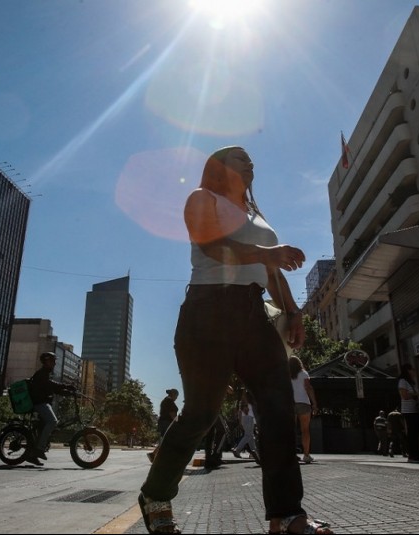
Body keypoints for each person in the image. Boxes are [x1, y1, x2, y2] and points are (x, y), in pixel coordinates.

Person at [138, 147, 332, 534]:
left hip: (253, 312)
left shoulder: (256, 215)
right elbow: (211, 245)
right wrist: (268, 252)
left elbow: (270, 272)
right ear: (219, 167)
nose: (250, 160)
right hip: (207, 310)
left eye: (251, 157)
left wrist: (293, 312)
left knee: (278, 410)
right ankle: (156, 495)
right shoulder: (201, 198)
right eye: (239, 156)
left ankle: (288, 514)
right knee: (200, 413)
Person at [28, 352, 76, 465]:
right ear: (46, 361)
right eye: (52, 361)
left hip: (43, 403)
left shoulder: (46, 373)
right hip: (39, 403)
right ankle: (39, 449)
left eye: (55, 361)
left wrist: (68, 392)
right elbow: (51, 385)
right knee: (52, 421)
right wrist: (66, 386)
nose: (54, 363)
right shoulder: (42, 374)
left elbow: (53, 389)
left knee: (44, 427)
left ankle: (32, 455)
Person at [289, 355, 318, 464]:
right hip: (303, 403)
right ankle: (306, 455)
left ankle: (291, 454)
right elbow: (308, 388)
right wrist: (314, 403)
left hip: (290, 404)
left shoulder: (286, 374)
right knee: (305, 430)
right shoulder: (303, 373)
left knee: (290, 430)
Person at [398, 363, 419, 463]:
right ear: (408, 371)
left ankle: (417, 454)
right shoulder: (403, 381)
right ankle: (412, 455)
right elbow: (404, 395)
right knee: (412, 433)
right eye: (412, 370)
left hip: (415, 409)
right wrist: (416, 394)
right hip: (408, 411)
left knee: (416, 433)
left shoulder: (411, 383)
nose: (414, 372)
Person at [148, 388, 180, 463]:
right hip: (166, 423)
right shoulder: (169, 401)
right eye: (177, 396)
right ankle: (163, 457)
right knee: (168, 440)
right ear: (174, 395)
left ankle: (153, 455)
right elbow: (173, 414)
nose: (177, 398)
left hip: (163, 423)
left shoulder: (166, 400)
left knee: (166, 441)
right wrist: (178, 423)